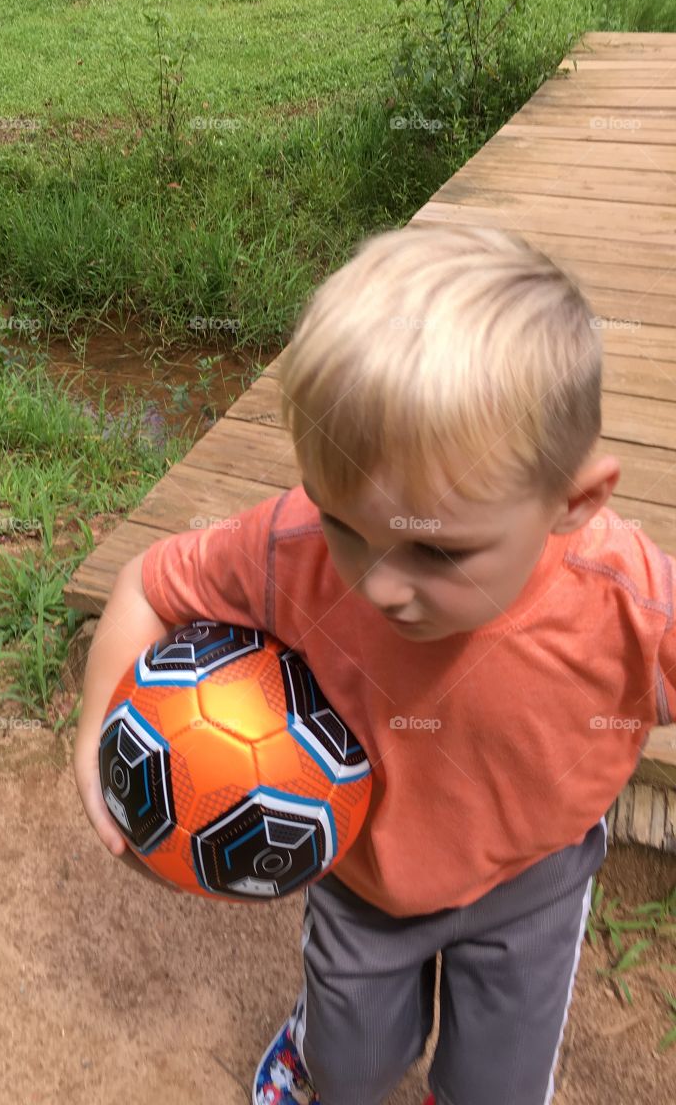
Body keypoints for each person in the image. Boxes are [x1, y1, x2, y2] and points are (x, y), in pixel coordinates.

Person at [74, 225, 675, 1105]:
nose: (381, 585)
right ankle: (318, 1040)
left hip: (533, 880)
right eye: (346, 523)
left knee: (495, 1091)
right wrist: (97, 734)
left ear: (572, 502)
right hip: (361, 876)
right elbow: (150, 585)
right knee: (350, 1074)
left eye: (436, 553)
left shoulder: (624, 601)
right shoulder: (294, 549)